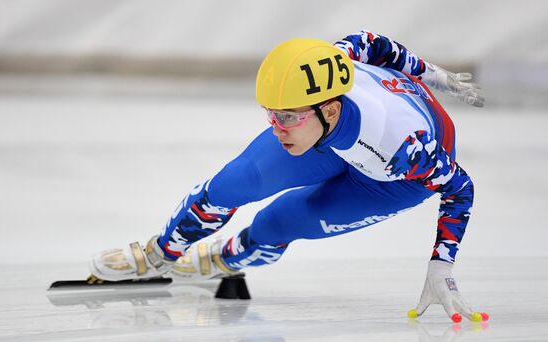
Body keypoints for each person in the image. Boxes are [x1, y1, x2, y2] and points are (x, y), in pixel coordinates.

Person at [89, 30, 488, 323]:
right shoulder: (329, 65)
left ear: (329, 111)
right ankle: (160, 254)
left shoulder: (402, 151)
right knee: (233, 183)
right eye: (271, 114)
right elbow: (373, 42)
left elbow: (460, 187)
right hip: (337, 134)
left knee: (280, 221)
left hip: (392, 177)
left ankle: (225, 258)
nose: (276, 127)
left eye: (286, 117)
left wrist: (442, 265)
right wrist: (434, 74)